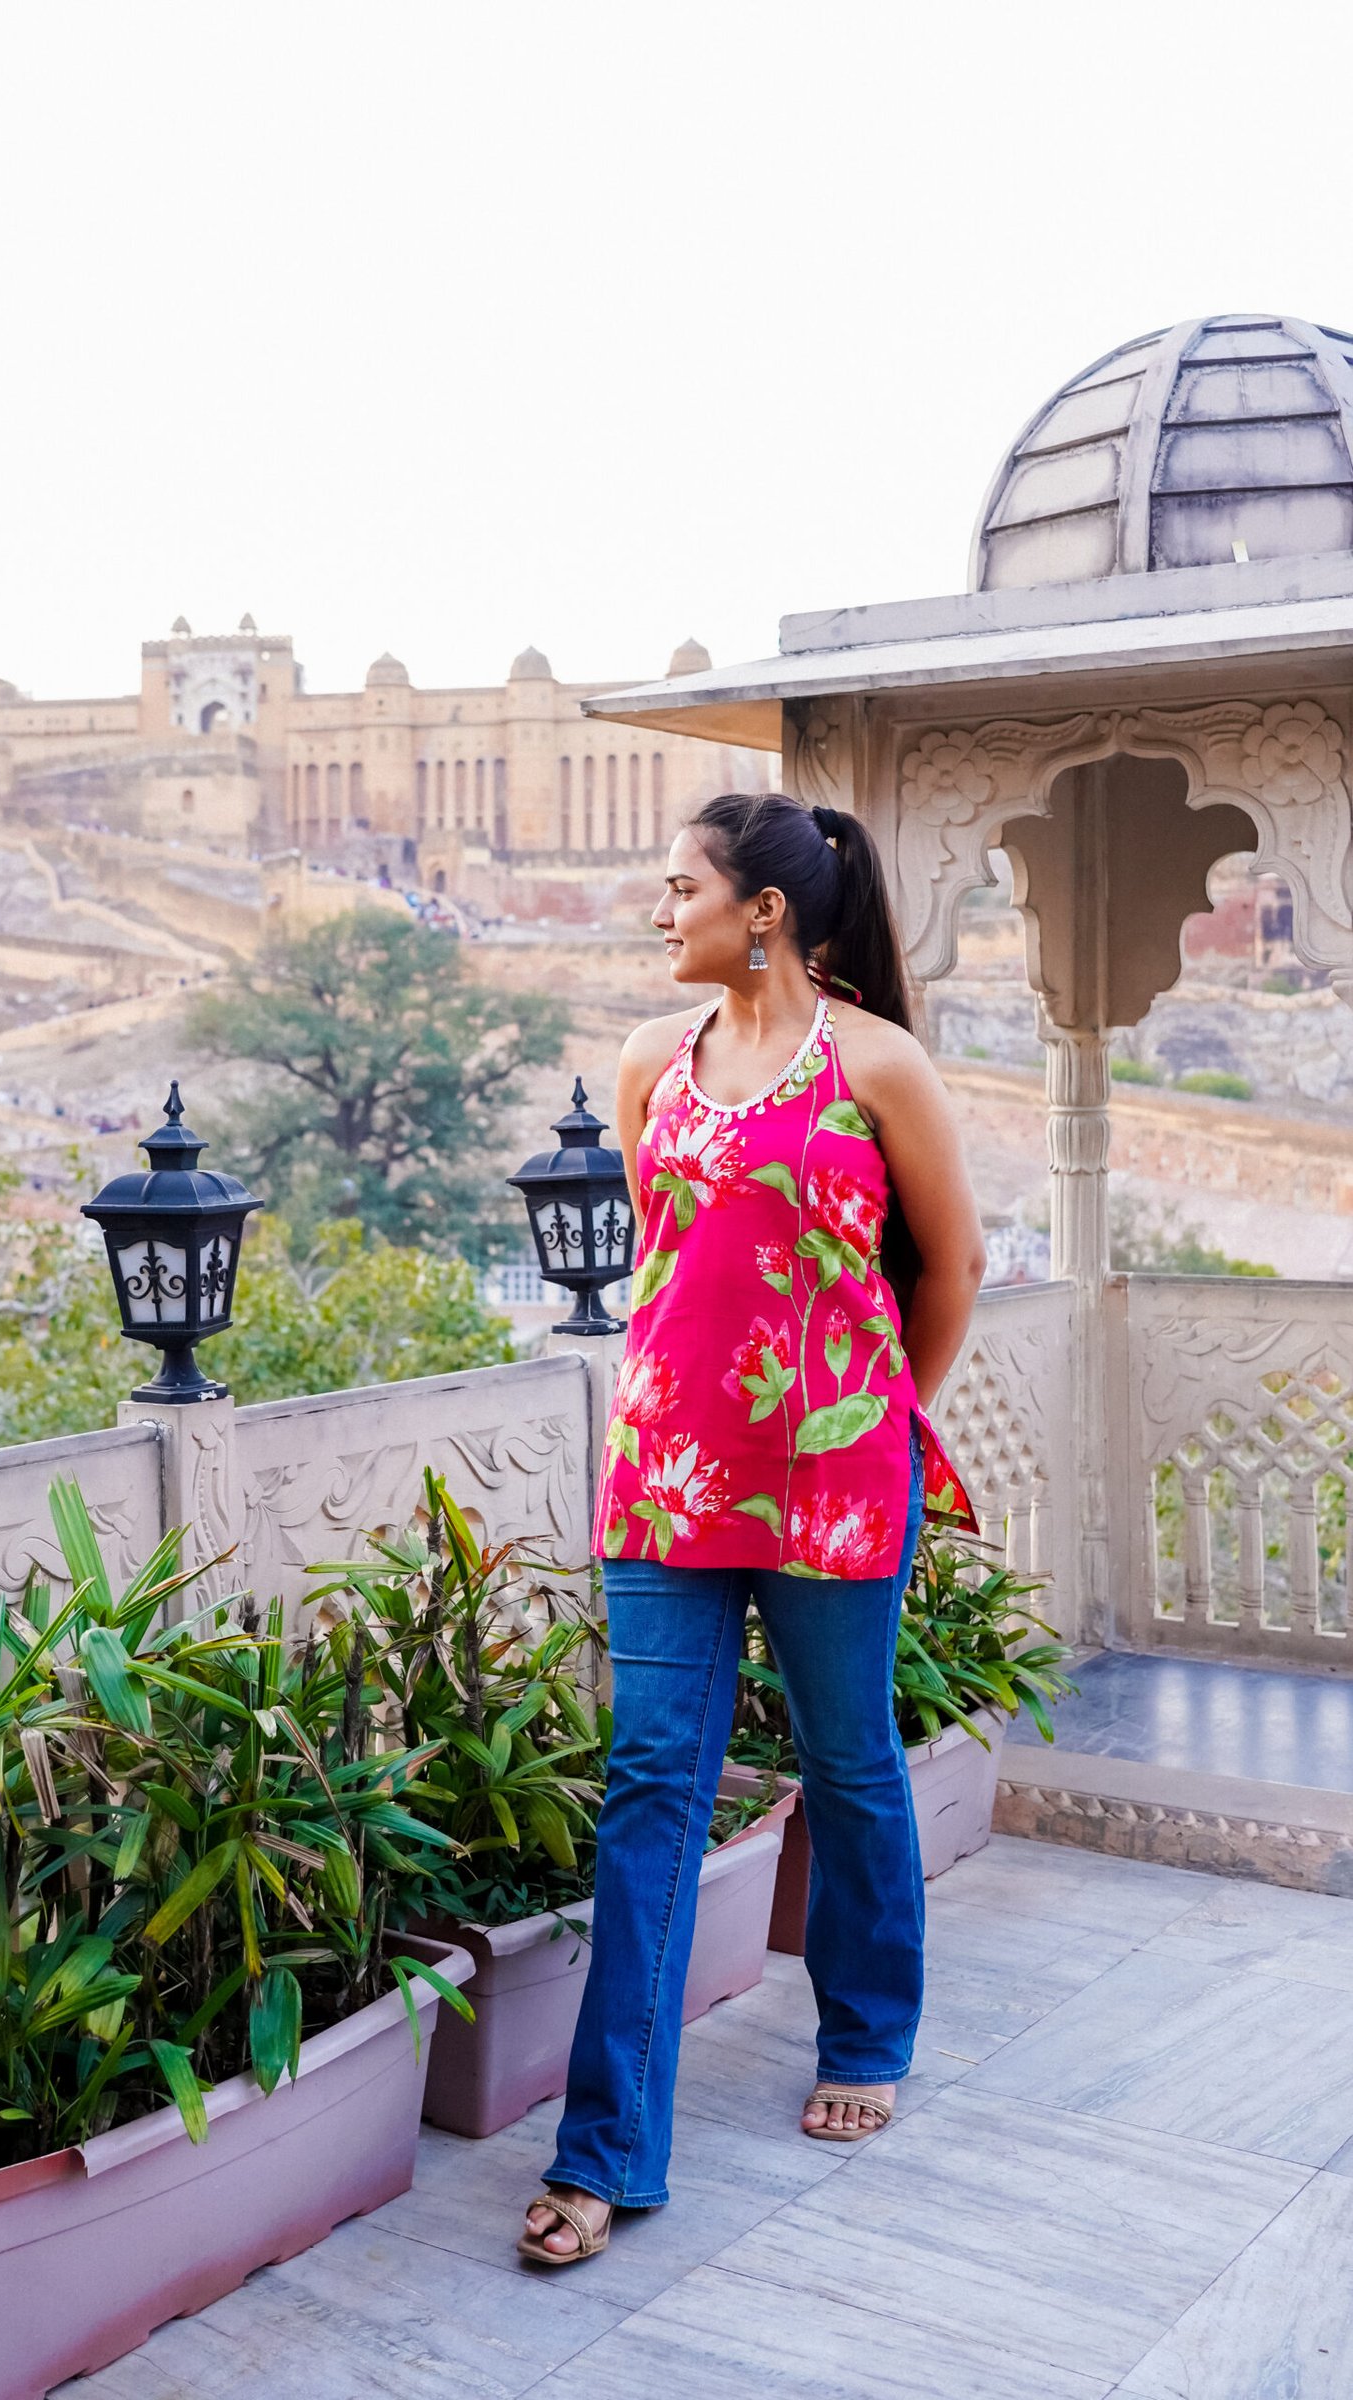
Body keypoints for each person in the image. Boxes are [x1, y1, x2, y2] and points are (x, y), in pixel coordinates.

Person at [519, 793, 985, 2269]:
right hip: (667, 1477)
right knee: (654, 1782)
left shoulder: (878, 1065)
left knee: (848, 1764)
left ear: (763, 912)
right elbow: (672, 1263)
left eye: (681, 890)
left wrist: (878, 1414)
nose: (662, 914)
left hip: (836, 1480)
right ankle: (606, 2154)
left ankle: (867, 2033)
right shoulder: (656, 1059)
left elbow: (954, 1260)